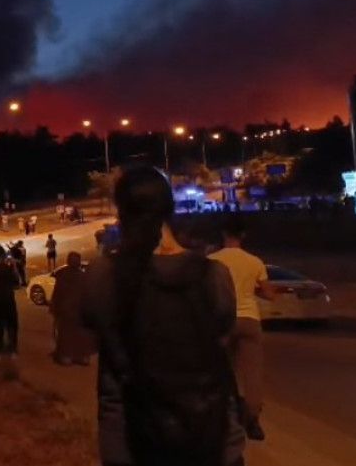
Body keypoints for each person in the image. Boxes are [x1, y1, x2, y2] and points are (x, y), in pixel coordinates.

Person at [81, 165, 244, 466]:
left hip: (132, 443)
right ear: (171, 209)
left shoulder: (103, 274)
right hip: (212, 439)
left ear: (121, 213)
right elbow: (224, 341)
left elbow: (86, 336)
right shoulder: (214, 275)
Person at [210, 217, 276, 442]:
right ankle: (252, 419)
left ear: (223, 234)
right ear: (243, 235)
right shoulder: (255, 262)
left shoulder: (213, 261)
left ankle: (225, 415)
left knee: (222, 369)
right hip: (250, 320)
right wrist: (251, 290)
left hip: (223, 320)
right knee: (252, 373)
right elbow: (269, 294)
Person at [51, 252, 96, 366]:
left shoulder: (62, 275)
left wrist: (54, 309)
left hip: (66, 310)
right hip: (79, 310)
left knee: (66, 334)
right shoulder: (83, 276)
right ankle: (82, 357)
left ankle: (66, 357)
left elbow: (57, 293)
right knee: (81, 334)